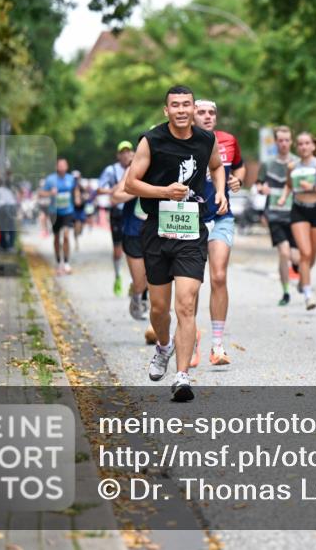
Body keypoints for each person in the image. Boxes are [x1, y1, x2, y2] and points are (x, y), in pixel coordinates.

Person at [124, 85, 227, 402]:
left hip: (191, 229)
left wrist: (220, 191)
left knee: (186, 302)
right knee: (159, 308)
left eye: (187, 105)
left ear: (194, 109)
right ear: (166, 110)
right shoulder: (151, 140)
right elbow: (131, 183)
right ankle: (163, 346)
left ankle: (182, 377)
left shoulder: (206, 139)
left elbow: (217, 166)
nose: (182, 110)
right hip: (157, 228)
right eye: (175, 105)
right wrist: (163, 192)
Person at [190, 99, 245, 367]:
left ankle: (218, 345)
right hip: (191, 220)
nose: (208, 116)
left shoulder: (228, 140)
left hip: (221, 216)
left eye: (212, 112)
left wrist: (238, 179)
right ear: (191, 116)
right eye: (201, 112)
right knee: (191, 282)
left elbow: (239, 166)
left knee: (219, 276)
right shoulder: (184, 143)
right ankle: (189, 339)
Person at [277, 132, 316, 311]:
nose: (303, 147)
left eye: (307, 143)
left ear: (313, 146)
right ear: (298, 147)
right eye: (300, 144)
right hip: (299, 210)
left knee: (312, 257)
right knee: (305, 252)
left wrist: (313, 187)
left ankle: (303, 279)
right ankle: (308, 295)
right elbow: (289, 184)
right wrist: (283, 197)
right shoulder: (292, 166)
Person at [255, 126, 301, 306]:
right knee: (283, 253)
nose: (283, 144)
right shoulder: (267, 164)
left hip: (296, 215)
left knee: (296, 257)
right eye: (280, 140)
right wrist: (261, 189)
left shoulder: (298, 162)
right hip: (275, 215)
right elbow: (257, 186)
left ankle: (298, 269)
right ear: (275, 142)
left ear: (291, 141)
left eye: (286, 140)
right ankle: (286, 292)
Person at [110, 165, 152, 333]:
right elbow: (115, 197)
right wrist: (138, 190)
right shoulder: (134, 169)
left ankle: (154, 323)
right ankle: (137, 294)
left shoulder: (167, 163)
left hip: (157, 231)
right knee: (140, 283)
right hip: (134, 232)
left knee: (156, 279)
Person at [98, 141, 135, 296]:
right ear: (118, 155)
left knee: (134, 250)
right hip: (117, 213)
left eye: (128, 151)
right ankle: (118, 275)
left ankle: (136, 281)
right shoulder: (111, 170)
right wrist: (112, 190)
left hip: (132, 212)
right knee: (118, 251)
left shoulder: (137, 166)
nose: (126, 154)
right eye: (123, 152)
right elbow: (99, 189)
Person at [39, 158, 77, 273]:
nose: (61, 167)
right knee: (56, 237)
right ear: (56, 167)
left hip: (68, 211)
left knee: (66, 235)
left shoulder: (71, 179)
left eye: (63, 165)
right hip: (54, 212)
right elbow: (41, 193)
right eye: (59, 165)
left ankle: (66, 262)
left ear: (67, 166)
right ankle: (58, 261)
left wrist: (78, 198)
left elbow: (75, 190)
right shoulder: (50, 179)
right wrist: (50, 193)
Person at [71, 170, 87, 251]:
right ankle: (76, 241)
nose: (76, 179)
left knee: (81, 225)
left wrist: (84, 197)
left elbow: (86, 195)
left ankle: (78, 234)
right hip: (74, 209)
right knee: (76, 224)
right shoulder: (71, 186)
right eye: (75, 178)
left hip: (81, 209)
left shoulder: (81, 186)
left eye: (77, 178)